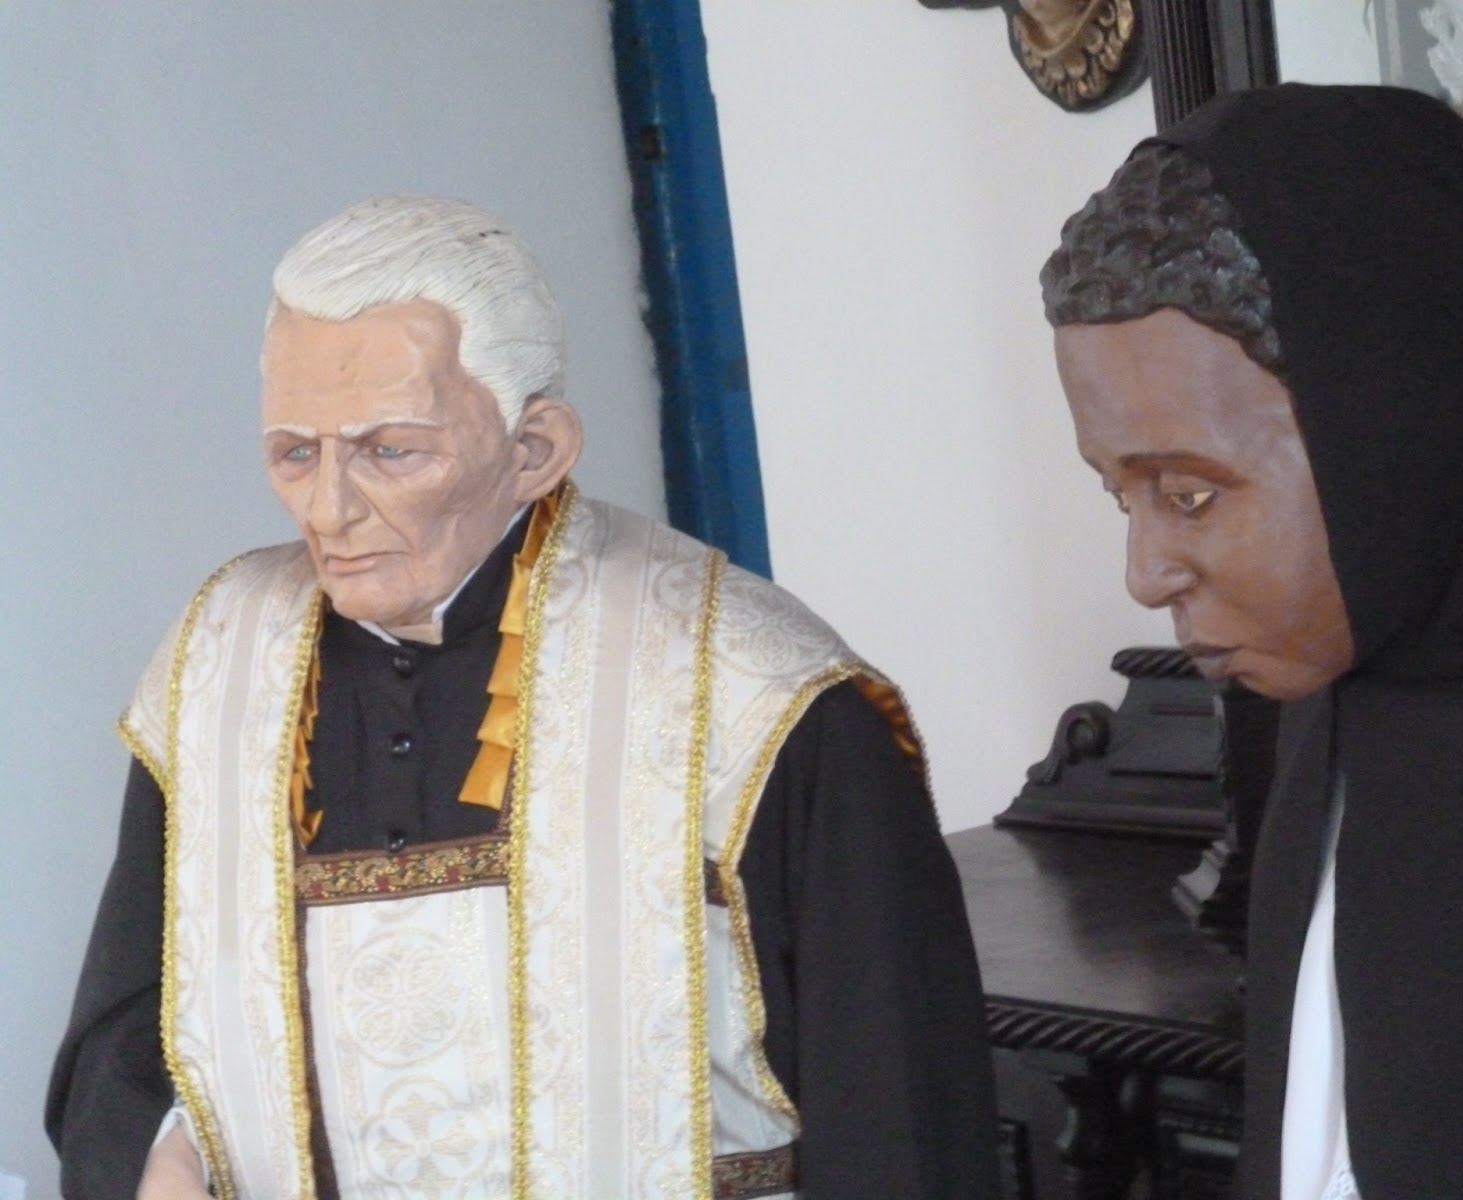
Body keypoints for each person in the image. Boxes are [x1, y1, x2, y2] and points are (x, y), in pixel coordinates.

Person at [47, 195, 998, 1199]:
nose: (328, 508)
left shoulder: (753, 690)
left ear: (534, 449)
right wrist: (159, 1154)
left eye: (389, 451)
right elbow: (127, 1025)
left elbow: (899, 1104)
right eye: (295, 451)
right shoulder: (217, 666)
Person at [1040, 84, 1463, 1199]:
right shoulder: (1327, 707)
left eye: (1190, 496)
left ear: (1397, 425)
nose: (1144, 575)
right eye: (1120, 495)